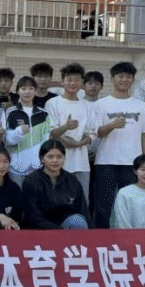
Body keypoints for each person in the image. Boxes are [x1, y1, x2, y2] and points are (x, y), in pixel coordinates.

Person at [91, 62, 145, 228]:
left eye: (128, 77)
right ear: (112, 79)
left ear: (133, 80)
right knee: (103, 207)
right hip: (106, 162)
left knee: (131, 206)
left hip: (132, 164)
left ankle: (129, 239)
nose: (124, 80)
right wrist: (111, 125)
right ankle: (101, 238)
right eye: (120, 76)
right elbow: (97, 133)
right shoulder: (101, 104)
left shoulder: (141, 105)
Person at [45, 63, 95, 204]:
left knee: (82, 200)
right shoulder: (52, 103)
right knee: (56, 201)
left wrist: (78, 143)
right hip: (58, 162)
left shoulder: (87, 105)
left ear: (82, 82)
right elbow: (51, 131)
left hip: (82, 162)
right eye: (69, 80)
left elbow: (92, 132)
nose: (73, 83)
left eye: (76, 80)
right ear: (62, 81)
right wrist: (65, 129)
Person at [20, 139, 91, 229]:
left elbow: (83, 210)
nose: (55, 160)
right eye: (50, 157)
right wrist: (58, 231)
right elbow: (32, 215)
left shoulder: (72, 180)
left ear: (64, 158)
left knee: (78, 221)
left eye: (59, 157)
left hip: (66, 226)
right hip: (39, 227)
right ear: (42, 158)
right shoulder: (31, 180)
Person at [2, 76, 51, 187]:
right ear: (18, 91)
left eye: (31, 88)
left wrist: (44, 162)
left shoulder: (43, 114)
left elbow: (47, 140)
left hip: (37, 167)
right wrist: (18, 132)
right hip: (16, 167)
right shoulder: (11, 112)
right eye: (23, 88)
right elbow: (7, 140)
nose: (27, 92)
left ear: (35, 91)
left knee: (35, 197)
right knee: (17, 196)